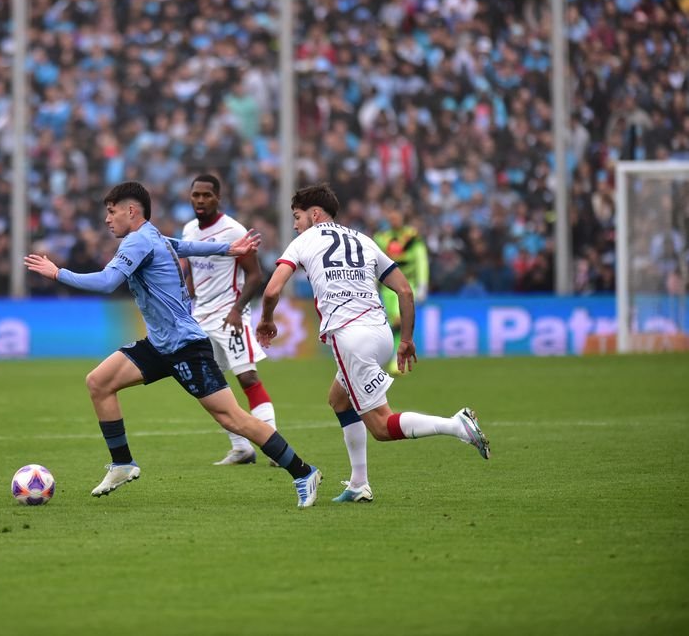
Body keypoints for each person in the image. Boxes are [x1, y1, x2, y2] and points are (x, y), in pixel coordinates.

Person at [25, 182, 323, 507]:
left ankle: (303, 472)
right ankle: (122, 463)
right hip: (160, 345)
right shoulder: (152, 236)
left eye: (111, 212)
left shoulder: (137, 241)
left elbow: (109, 282)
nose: (107, 219)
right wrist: (226, 249)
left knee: (233, 418)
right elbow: (183, 246)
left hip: (186, 347)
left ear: (131, 211)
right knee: (99, 382)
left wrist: (58, 273)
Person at [256, 185, 489, 505]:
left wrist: (267, 320)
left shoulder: (303, 242)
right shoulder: (363, 240)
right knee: (339, 399)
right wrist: (406, 340)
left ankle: (456, 425)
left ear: (315, 214)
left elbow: (271, 291)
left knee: (380, 426)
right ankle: (358, 483)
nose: (295, 225)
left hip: (350, 337)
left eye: (297, 217)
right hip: (381, 333)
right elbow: (405, 291)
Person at [180, 173, 279, 466]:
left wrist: (237, 310)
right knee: (209, 385)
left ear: (218, 198)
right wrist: (186, 298)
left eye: (206, 195)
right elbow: (194, 273)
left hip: (229, 315)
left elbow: (255, 275)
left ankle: (275, 446)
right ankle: (241, 449)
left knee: (247, 377)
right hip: (200, 317)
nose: (200, 200)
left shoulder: (233, 231)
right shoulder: (188, 230)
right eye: (196, 194)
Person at [373, 209, 429, 374]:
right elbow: (376, 261)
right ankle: (393, 358)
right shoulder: (382, 238)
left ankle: (394, 361)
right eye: (391, 218)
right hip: (388, 286)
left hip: (407, 282)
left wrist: (422, 284)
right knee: (394, 322)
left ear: (403, 219)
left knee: (400, 320)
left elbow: (421, 260)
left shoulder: (412, 237)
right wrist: (373, 283)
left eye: (396, 218)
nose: (394, 221)